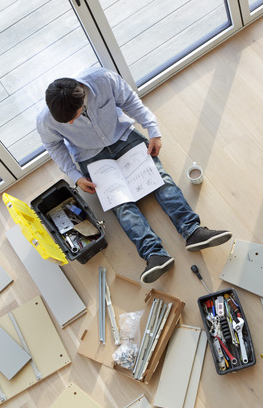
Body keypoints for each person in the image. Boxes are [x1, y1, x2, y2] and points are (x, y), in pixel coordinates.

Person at [37, 67, 232, 283]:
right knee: (120, 203)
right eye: (67, 124)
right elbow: (55, 147)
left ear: (82, 96)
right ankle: (154, 255)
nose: (71, 124)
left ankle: (193, 230)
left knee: (159, 179)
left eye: (73, 118)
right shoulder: (45, 120)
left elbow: (130, 102)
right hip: (89, 155)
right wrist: (75, 176)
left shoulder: (103, 79)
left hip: (123, 136)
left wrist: (153, 131)